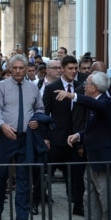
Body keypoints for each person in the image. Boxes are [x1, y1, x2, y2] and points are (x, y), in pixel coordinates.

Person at [55, 71, 111, 220]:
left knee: (107, 206)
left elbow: (96, 106)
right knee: (90, 202)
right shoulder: (95, 105)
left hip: (105, 163)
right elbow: (95, 130)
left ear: (95, 88)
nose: (84, 86)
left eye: (87, 84)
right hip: (92, 162)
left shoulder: (106, 103)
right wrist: (78, 135)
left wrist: (72, 95)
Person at [0, 54, 45, 220]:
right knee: (0, 176)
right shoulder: (1, 86)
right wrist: (2, 125)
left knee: (24, 178)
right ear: (10, 68)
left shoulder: (33, 88)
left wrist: (37, 119)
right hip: (5, 136)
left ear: (27, 69)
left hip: (25, 138)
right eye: (15, 68)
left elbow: (40, 108)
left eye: (21, 68)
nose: (18, 71)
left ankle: (22, 216)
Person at [43, 55, 80, 195]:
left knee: (75, 175)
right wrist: (45, 137)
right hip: (57, 139)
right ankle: (37, 199)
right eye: (70, 68)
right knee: (47, 173)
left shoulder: (81, 87)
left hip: (76, 140)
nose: (74, 71)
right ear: (62, 69)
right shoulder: (52, 88)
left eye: (76, 68)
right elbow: (45, 114)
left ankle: (76, 203)